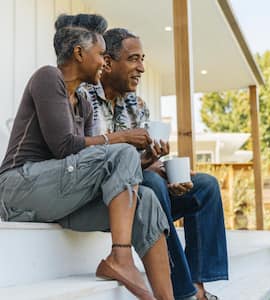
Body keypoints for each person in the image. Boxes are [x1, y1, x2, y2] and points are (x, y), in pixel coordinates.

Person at [0, 14, 174, 300]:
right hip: (18, 189)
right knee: (120, 149)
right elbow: (65, 147)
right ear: (80, 53)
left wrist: (140, 162)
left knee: (147, 202)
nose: (105, 63)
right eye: (101, 55)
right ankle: (120, 257)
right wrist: (123, 137)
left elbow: (96, 158)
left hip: (59, 198)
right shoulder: (48, 77)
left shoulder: (82, 101)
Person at [79, 28, 229, 300]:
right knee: (151, 185)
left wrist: (160, 166)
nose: (142, 68)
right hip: (107, 198)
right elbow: (80, 154)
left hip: (144, 188)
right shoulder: (84, 98)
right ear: (109, 63)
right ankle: (182, 291)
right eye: (134, 59)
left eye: (143, 59)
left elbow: (141, 163)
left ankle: (198, 287)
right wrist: (149, 170)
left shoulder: (138, 105)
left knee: (205, 186)